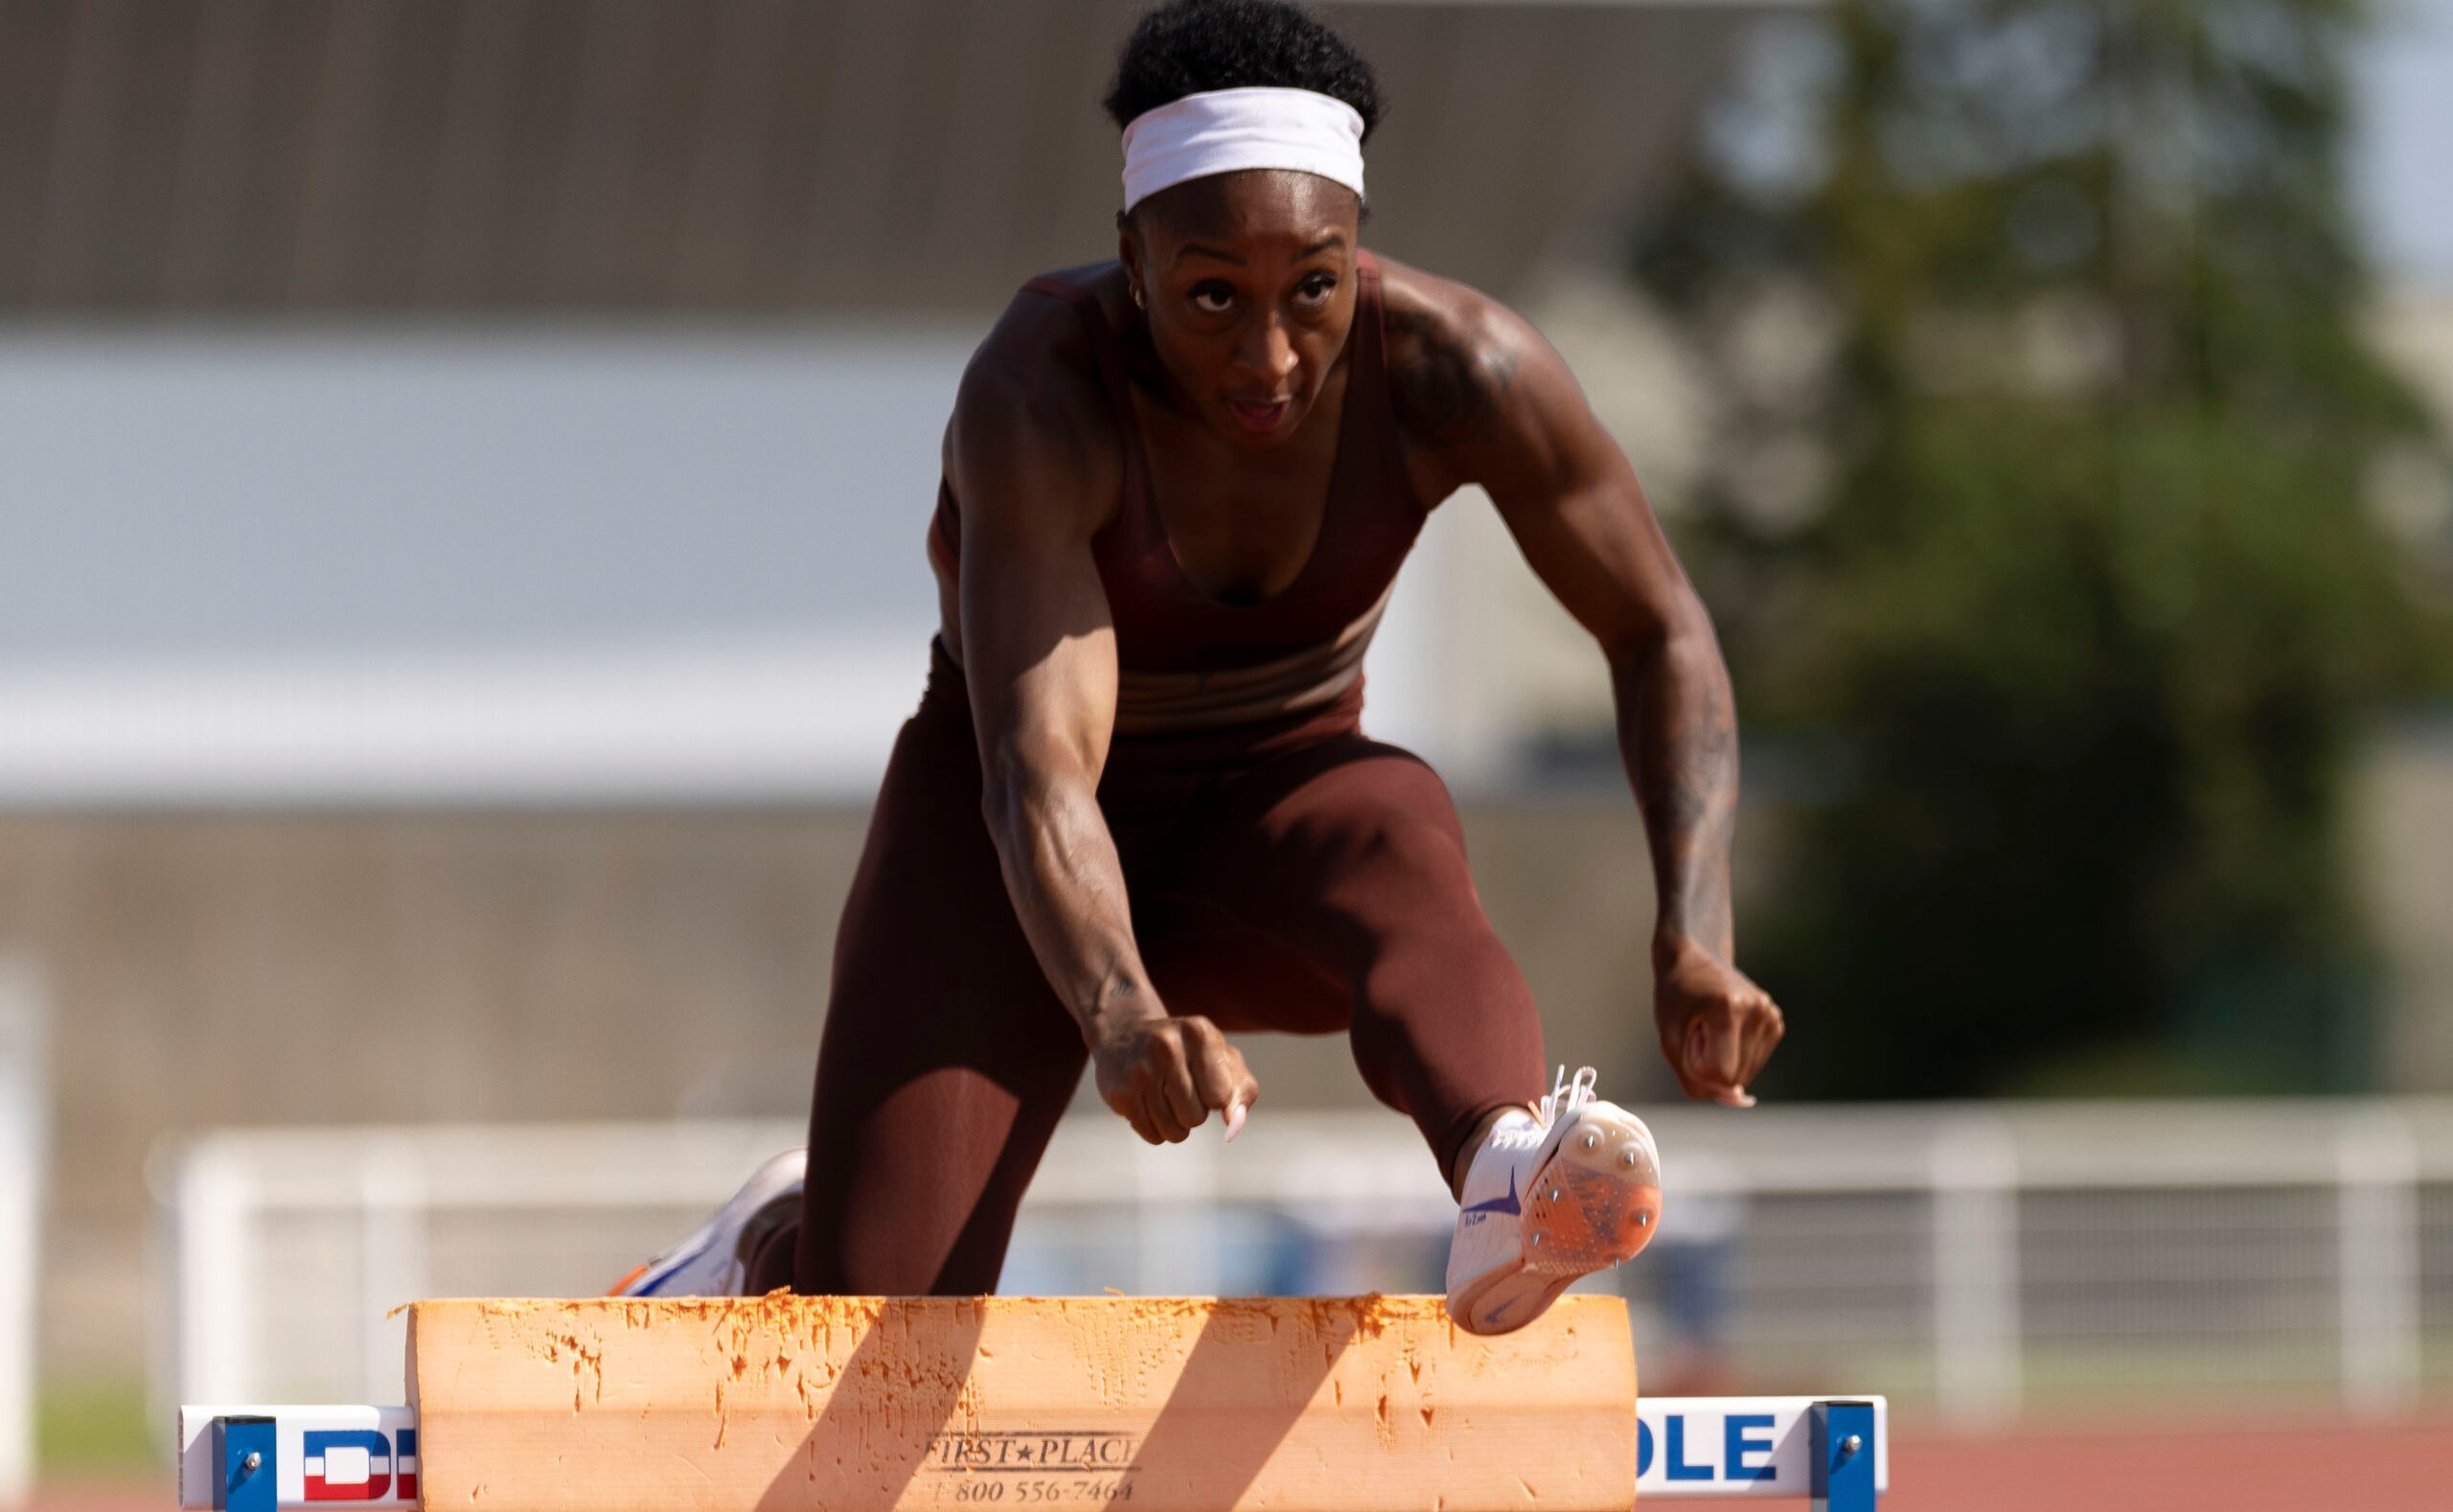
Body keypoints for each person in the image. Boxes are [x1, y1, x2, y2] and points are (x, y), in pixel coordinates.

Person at [614, 0, 1784, 1336]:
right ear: (1134, 257)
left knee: (1395, 813)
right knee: (879, 1333)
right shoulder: (1042, 391)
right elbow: (1038, 768)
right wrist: (1119, 1011)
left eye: (1315, 289)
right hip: (1014, 854)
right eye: (1213, 294)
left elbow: (1660, 626)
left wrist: (1696, 934)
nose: (1270, 356)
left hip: (1272, 830)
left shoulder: (1461, 366)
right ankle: (778, 1234)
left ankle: (1505, 1172)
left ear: (1361, 251)